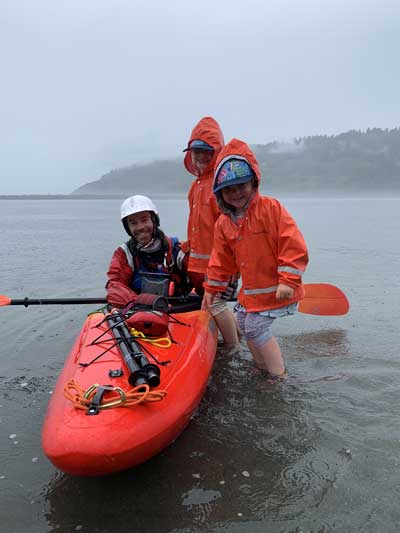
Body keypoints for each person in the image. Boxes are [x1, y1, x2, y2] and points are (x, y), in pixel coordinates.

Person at [203, 139, 309, 380]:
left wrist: (288, 280)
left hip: (279, 289)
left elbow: (292, 243)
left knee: (257, 327)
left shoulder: (271, 209)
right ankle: (260, 366)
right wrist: (212, 289)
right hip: (253, 294)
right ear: (220, 193)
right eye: (229, 189)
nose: (236, 193)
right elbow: (221, 260)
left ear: (253, 182)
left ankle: (278, 375)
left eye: (241, 186)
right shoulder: (224, 223)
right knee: (242, 322)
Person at [181, 116, 239, 346]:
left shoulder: (221, 187)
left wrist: (228, 267)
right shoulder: (194, 187)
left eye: (207, 151)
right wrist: (186, 246)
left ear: (217, 153)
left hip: (220, 265)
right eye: (196, 151)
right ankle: (239, 337)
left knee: (215, 304)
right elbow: (198, 226)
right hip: (198, 267)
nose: (201, 156)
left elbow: (229, 229)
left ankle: (233, 347)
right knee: (215, 305)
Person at [106, 195, 190, 308]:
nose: (140, 227)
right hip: (137, 315)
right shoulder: (124, 254)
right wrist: (142, 301)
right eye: (133, 223)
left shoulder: (176, 250)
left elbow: (200, 277)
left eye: (144, 220)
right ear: (127, 228)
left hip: (178, 312)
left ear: (154, 221)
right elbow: (114, 285)